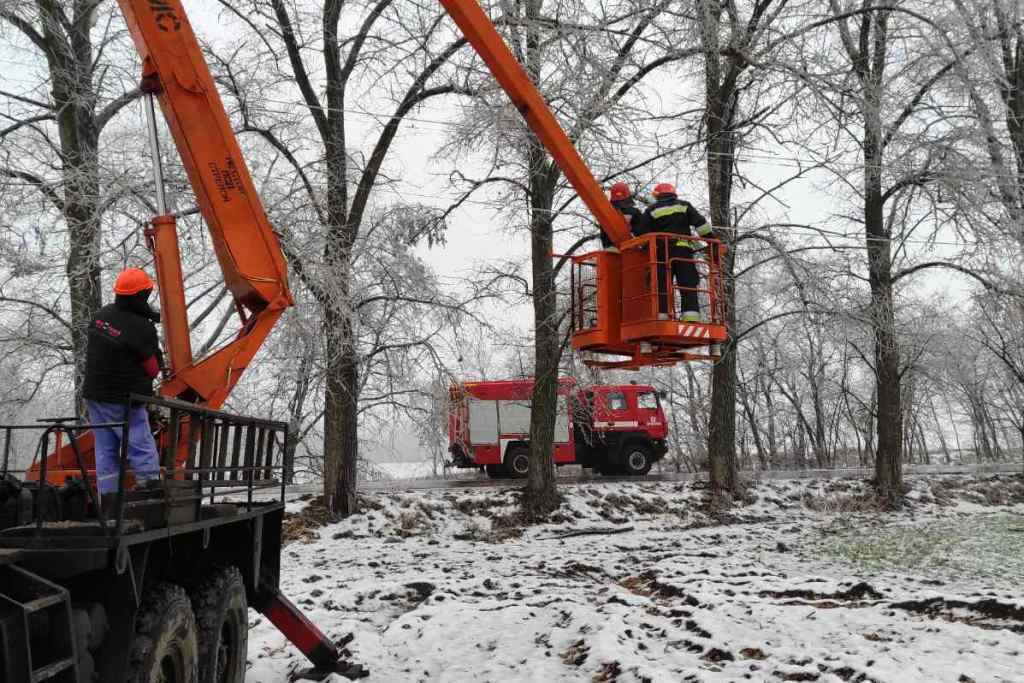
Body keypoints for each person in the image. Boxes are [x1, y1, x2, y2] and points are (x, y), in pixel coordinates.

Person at [82, 267, 164, 499]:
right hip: (123, 400)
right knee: (139, 439)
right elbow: (153, 368)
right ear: (142, 295)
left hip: (94, 396)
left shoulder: (100, 317)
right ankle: (150, 488)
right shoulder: (141, 326)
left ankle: (108, 498)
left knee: (105, 447)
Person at [633, 182, 713, 321]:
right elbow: (702, 226)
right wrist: (712, 241)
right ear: (673, 194)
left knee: (662, 283)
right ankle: (691, 315)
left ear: (657, 196)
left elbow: (640, 233)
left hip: (662, 253)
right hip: (683, 252)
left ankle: (662, 315)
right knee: (687, 282)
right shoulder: (684, 206)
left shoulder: (652, 210)